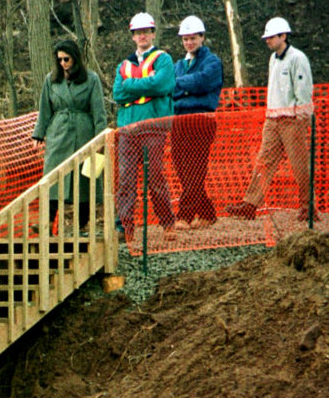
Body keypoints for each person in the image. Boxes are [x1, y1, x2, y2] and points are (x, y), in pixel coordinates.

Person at [226, 17, 316, 222]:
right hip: (273, 118)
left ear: (283, 36)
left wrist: (301, 116)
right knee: (264, 161)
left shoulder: (297, 58)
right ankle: (250, 203)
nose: (267, 40)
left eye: (271, 37)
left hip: (292, 119)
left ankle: (308, 206)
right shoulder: (274, 59)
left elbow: (303, 90)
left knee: (300, 164)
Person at [112, 12, 177, 241]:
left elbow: (162, 84)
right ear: (133, 36)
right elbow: (118, 94)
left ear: (153, 34)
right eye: (138, 33)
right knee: (126, 179)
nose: (142, 36)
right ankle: (124, 227)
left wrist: (132, 86)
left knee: (155, 177)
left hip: (154, 127)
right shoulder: (125, 63)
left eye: (146, 32)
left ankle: (168, 223)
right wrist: (145, 88)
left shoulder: (163, 59)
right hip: (129, 129)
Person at [32, 39, 108, 234]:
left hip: (84, 132)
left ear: (75, 58)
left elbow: (99, 112)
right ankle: (48, 222)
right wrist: (38, 135)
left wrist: (100, 140)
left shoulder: (91, 79)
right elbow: (44, 109)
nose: (63, 63)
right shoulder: (51, 79)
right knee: (53, 177)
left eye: (66, 59)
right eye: (59, 60)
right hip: (58, 132)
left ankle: (83, 223)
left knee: (84, 179)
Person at [170, 15, 223, 230]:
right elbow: (171, 87)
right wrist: (185, 86)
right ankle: (208, 213)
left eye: (193, 38)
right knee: (182, 167)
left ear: (202, 38)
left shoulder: (212, 61)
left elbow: (203, 81)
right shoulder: (179, 64)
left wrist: (180, 86)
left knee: (195, 167)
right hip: (179, 120)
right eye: (185, 39)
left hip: (201, 119)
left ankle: (185, 214)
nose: (189, 42)